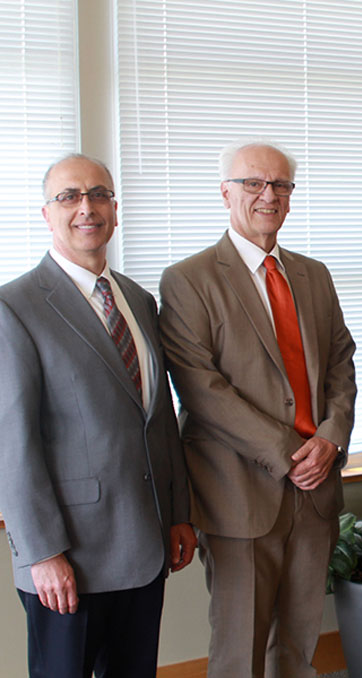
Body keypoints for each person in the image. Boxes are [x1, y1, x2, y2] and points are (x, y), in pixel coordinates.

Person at [159, 140, 356, 678]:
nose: (268, 195)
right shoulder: (188, 279)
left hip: (314, 493)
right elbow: (201, 389)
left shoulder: (314, 274)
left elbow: (342, 361)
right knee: (239, 653)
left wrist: (332, 437)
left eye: (281, 185)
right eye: (253, 183)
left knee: (296, 648)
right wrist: (290, 452)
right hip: (238, 494)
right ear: (225, 192)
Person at [0, 153, 196, 678]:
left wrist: (178, 511)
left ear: (115, 208)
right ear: (46, 213)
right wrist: (42, 554)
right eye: (69, 196)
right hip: (70, 559)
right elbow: (12, 445)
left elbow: (157, 417)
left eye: (99, 194)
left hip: (145, 546)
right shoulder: (14, 307)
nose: (86, 207)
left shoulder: (137, 298)